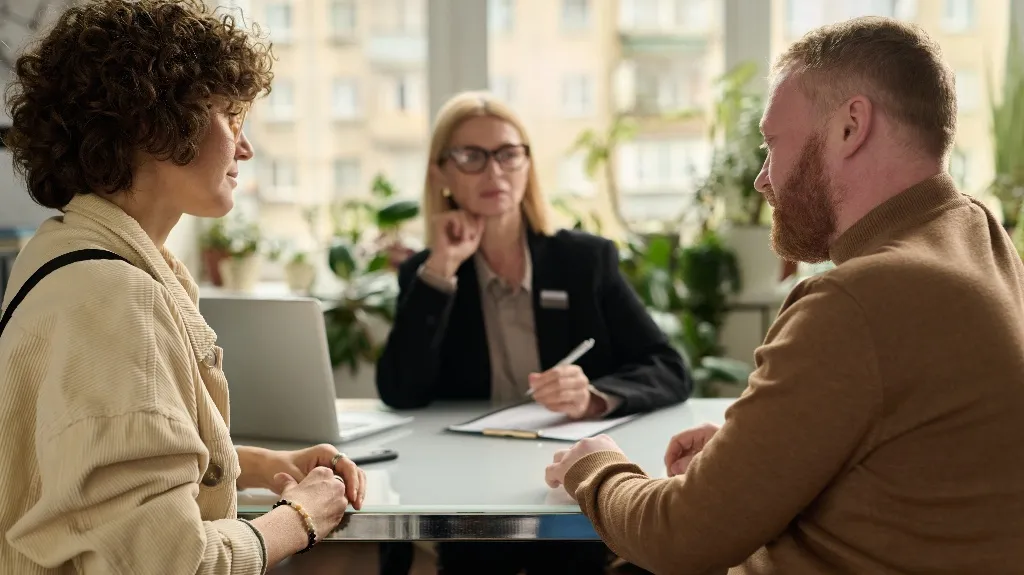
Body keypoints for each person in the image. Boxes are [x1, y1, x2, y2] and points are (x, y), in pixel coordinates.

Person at [544, 16, 1024, 575]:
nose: (762, 179)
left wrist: (595, 465)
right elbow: (926, 448)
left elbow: (681, 537)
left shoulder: (858, 298)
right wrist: (764, 452)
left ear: (850, 126)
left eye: (773, 144)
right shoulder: (976, 234)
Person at [0, 2, 366, 573]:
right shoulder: (118, 299)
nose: (244, 149)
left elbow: (92, 477)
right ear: (153, 125)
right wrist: (300, 515)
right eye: (226, 116)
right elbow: (177, 564)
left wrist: (262, 464)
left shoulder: (60, 254)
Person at [375, 91, 692, 574]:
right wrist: (442, 269)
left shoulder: (583, 260)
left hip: (563, 471)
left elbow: (668, 367)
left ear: (527, 164)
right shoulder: (428, 272)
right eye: (471, 157)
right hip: (468, 479)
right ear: (441, 172)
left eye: (507, 154)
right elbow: (401, 390)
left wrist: (594, 397)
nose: (493, 172)